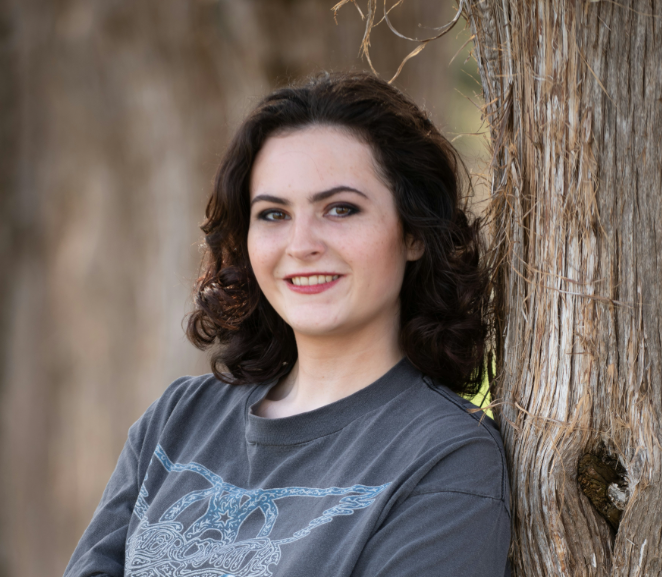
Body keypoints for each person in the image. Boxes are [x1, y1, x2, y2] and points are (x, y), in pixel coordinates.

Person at [63, 72, 511, 577]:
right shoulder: (177, 420)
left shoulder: (447, 457)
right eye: (273, 214)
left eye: (341, 209)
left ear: (413, 234)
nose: (301, 245)